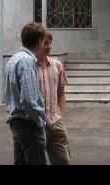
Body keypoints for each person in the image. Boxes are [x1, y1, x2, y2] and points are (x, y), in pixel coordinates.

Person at [3, 21, 48, 166]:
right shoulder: (27, 62)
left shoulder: (13, 60)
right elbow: (28, 100)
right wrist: (40, 121)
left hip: (16, 122)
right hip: (28, 124)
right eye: (43, 40)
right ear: (40, 40)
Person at [36, 32, 71, 165]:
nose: (49, 46)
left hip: (56, 123)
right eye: (45, 43)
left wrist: (61, 116)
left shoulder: (57, 65)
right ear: (38, 44)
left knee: (63, 161)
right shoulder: (29, 66)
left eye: (50, 43)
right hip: (37, 125)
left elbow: (61, 94)